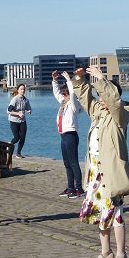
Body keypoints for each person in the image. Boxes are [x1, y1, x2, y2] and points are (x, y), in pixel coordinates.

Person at [72, 66, 129, 258]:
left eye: (102, 94)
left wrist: (101, 79)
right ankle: (105, 252)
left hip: (111, 173)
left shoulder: (121, 113)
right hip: (94, 171)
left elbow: (114, 102)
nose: (100, 99)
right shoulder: (99, 112)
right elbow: (85, 97)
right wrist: (79, 79)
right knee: (98, 212)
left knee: (115, 213)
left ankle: (121, 255)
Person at [52, 70, 84, 199]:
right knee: (67, 163)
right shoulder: (63, 103)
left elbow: (72, 95)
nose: (64, 96)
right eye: (63, 94)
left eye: (66, 94)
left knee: (74, 162)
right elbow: (56, 93)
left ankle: (79, 188)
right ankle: (70, 187)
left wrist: (68, 80)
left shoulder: (73, 104)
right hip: (63, 135)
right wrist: (54, 80)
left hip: (71, 134)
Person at [7, 83, 32, 159]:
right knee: (17, 137)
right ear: (18, 90)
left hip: (22, 121)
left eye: (24, 89)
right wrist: (17, 113)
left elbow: (28, 108)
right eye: (21, 89)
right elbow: (8, 110)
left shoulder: (26, 100)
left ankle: (18, 153)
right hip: (13, 121)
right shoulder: (15, 99)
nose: (23, 90)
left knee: (23, 137)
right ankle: (9, 144)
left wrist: (29, 110)